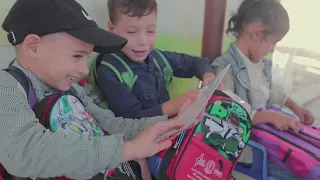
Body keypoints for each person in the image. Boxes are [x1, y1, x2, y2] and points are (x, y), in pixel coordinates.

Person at [0, 0, 201, 179]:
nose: (84, 69)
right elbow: (24, 152)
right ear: (33, 47)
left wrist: (172, 123)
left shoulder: (71, 90)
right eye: (77, 56)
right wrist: (128, 150)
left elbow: (110, 124)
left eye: (86, 58)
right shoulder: (6, 86)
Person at [211, 0, 314, 179]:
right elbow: (229, 115)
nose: (272, 49)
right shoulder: (224, 69)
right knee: (305, 171)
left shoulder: (261, 65)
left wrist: (296, 108)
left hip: (268, 138)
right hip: (250, 150)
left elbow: (275, 92)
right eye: (272, 43)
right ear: (258, 33)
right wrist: (271, 116)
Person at [95, 0, 217, 119]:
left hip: (170, 130)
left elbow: (194, 62)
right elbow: (131, 119)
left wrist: (208, 75)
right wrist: (175, 106)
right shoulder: (109, 72)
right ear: (112, 29)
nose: (143, 42)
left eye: (150, 31)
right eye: (131, 32)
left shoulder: (158, 58)